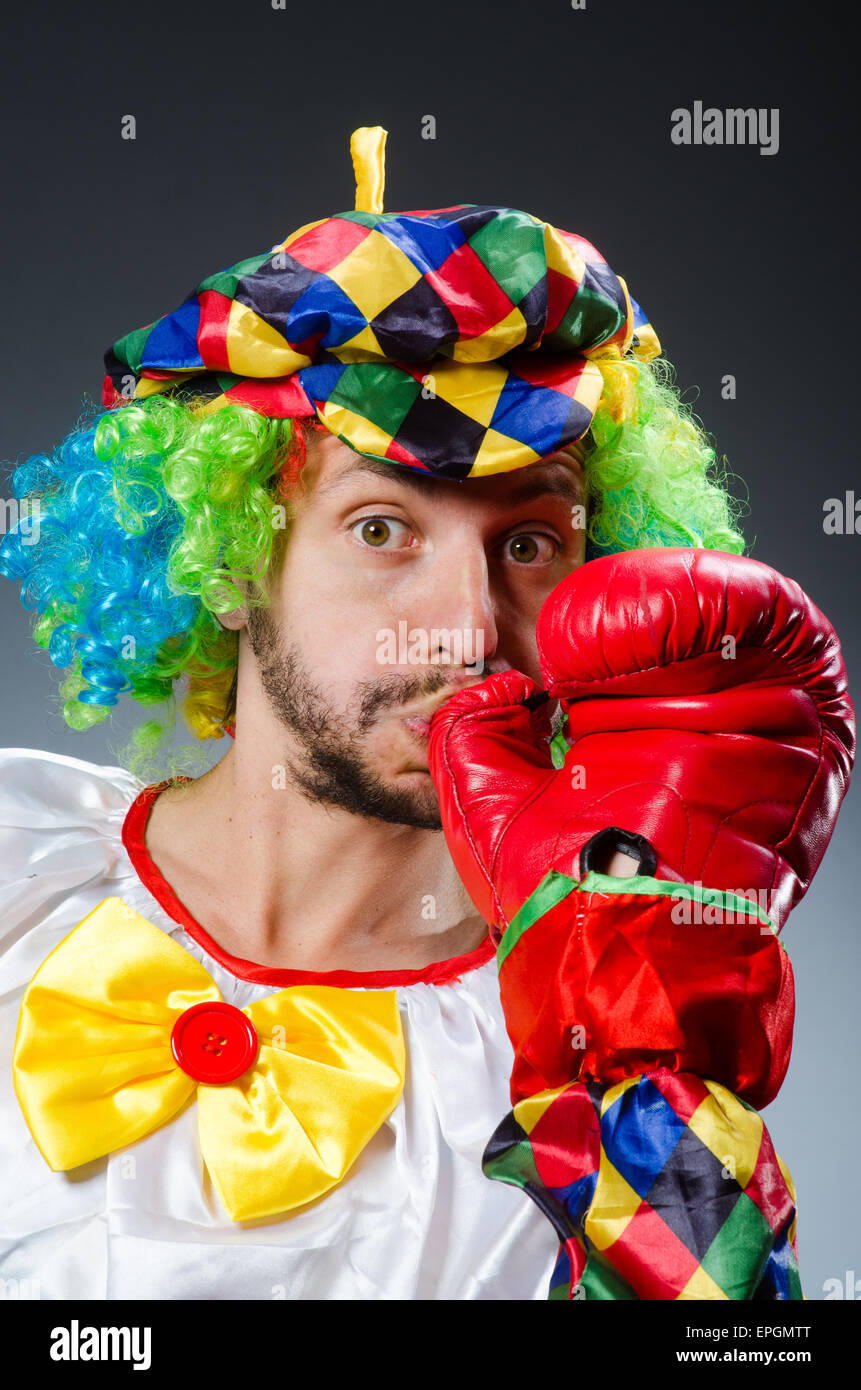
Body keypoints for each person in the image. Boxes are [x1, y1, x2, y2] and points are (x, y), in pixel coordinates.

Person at [0, 127, 853, 1301]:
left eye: (531, 543)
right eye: (382, 528)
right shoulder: (13, 865)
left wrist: (649, 1066)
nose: (464, 632)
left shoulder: (577, 1036)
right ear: (236, 562)